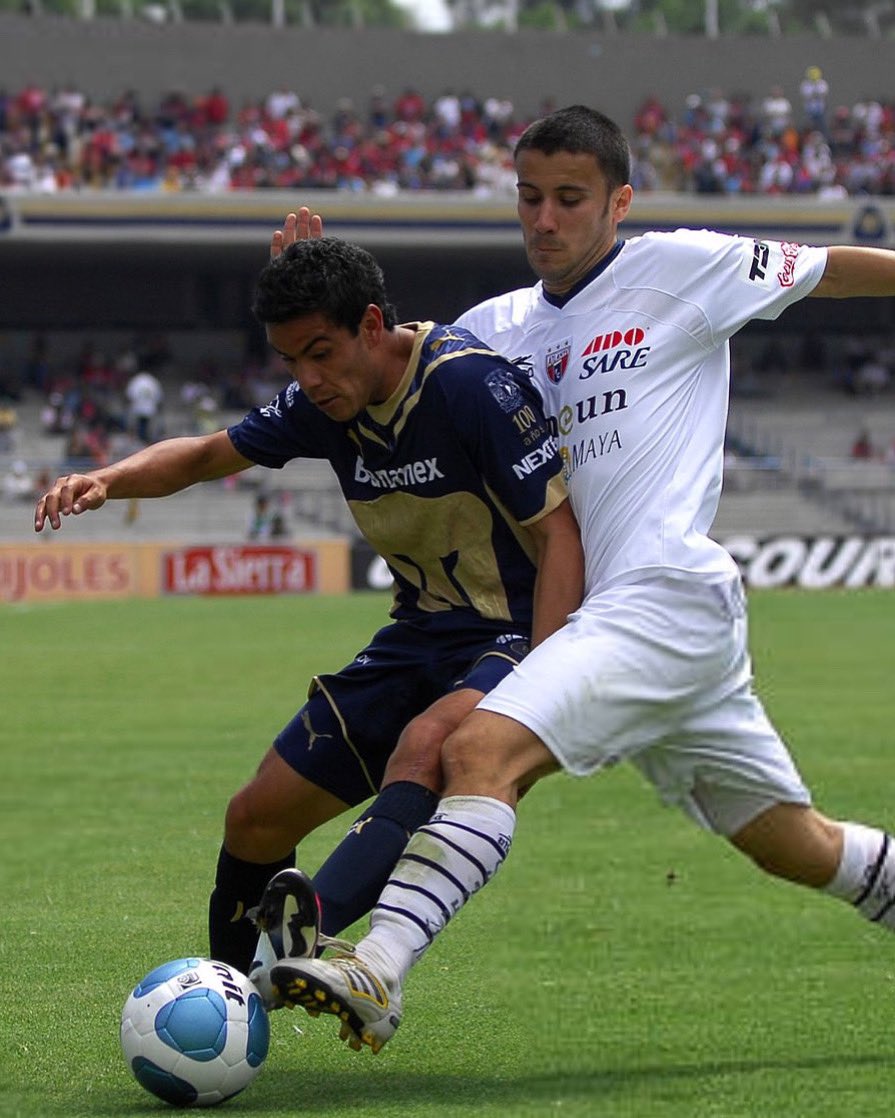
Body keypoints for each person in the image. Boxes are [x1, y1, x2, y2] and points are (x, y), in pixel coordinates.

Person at [267, 104, 895, 1055]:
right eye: (529, 197)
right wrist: (313, 283)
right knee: (788, 841)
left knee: (478, 753)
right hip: (626, 628)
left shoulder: (681, 269)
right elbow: (381, 362)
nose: (545, 218)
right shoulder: (494, 329)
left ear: (618, 202)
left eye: (570, 198)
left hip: (661, 597)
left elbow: (834, 272)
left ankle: (377, 966)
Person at [33, 236, 583, 987]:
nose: (309, 378)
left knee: (424, 747)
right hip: (419, 632)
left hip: (511, 632)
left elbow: (559, 535)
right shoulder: (320, 404)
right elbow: (203, 455)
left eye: (320, 352)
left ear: (368, 324)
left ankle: (299, 943)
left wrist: (543, 681)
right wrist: (105, 478)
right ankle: (235, 1002)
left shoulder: (467, 385)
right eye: (291, 360)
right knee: (255, 817)